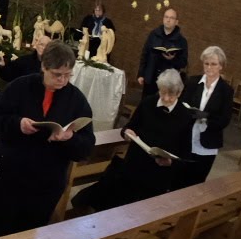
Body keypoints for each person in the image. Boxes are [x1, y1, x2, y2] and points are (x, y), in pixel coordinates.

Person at [0, 42, 96, 239]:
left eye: (68, 75)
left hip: (45, 185)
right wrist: (18, 124)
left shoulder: (76, 100)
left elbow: (86, 147)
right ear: (43, 67)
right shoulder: (20, 86)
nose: (63, 80)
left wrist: (70, 138)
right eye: (57, 74)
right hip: (8, 178)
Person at [73, 69, 195, 212]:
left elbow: (185, 152)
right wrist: (127, 132)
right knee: (118, 209)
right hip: (134, 166)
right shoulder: (148, 103)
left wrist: (171, 162)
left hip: (158, 176)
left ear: (179, 93)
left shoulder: (185, 116)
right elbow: (129, 127)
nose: (166, 98)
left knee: (143, 213)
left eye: (172, 95)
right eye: (163, 93)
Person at [177, 45, 235, 188]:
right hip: (186, 138)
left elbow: (224, 119)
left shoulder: (226, 90)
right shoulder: (192, 82)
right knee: (177, 180)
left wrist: (206, 117)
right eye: (206, 64)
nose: (209, 68)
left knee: (196, 183)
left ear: (221, 66)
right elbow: (181, 105)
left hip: (207, 143)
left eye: (213, 64)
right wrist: (189, 113)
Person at [137, 8, 188, 99]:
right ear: (163, 19)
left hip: (167, 80)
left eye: (171, 18)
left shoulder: (181, 41)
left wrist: (173, 59)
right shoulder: (154, 34)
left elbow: (183, 62)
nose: (168, 20)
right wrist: (141, 73)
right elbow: (145, 54)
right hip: (150, 76)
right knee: (146, 104)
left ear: (176, 22)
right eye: (166, 17)